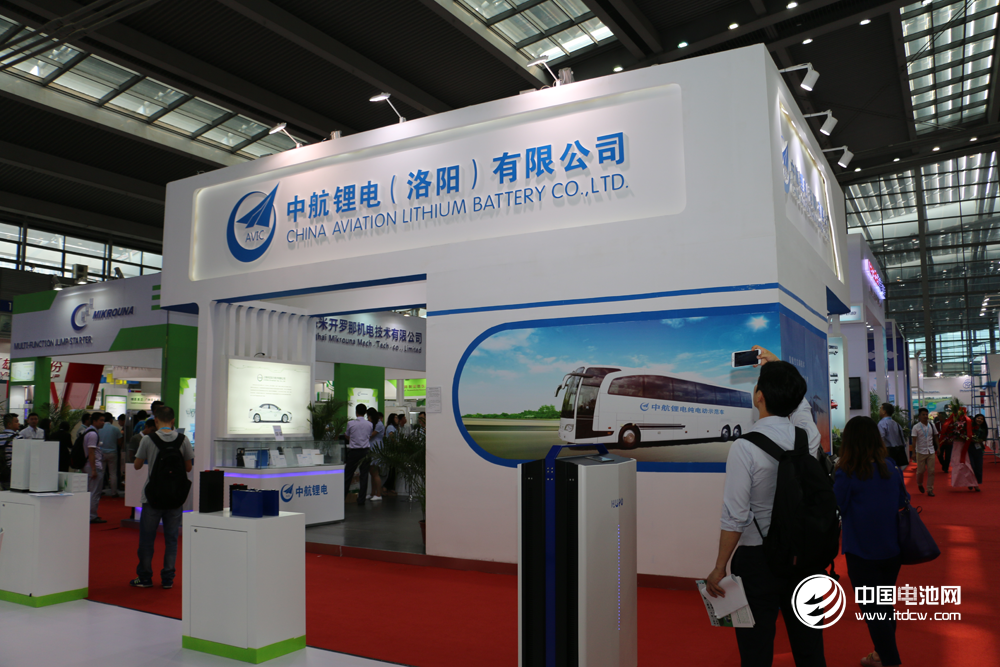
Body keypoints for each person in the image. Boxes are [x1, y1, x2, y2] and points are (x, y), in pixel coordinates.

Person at [705, 350, 826, 667]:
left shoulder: (744, 447)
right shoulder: (808, 436)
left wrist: (719, 567)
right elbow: (801, 408)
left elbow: (735, 516)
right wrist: (779, 368)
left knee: (755, 651)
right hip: (805, 556)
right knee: (810, 648)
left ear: (759, 396)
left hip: (759, 561)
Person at [834, 416, 909, 667]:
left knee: (873, 610)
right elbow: (903, 501)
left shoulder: (847, 472)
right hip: (891, 550)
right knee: (884, 605)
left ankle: (890, 660)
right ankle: (879, 655)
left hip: (862, 552)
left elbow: (837, 505)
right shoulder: (891, 467)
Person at [131, 405, 194, 589]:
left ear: (156, 420)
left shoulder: (148, 439)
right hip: (175, 497)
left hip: (152, 497)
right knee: (172, 539)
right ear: (173, 421)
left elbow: (136, 465)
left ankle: (145, 578)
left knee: (147, 539)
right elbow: (188, 467)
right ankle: (168, 578)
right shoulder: (183, 439)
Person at [343, 403, 374, 505]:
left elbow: (347, 435)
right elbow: (369, 436)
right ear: (365, 413)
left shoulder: (350, 423)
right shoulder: (369, 424)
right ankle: (361, 500)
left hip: (354, 452)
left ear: (356, 412)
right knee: (364, 476)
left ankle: (342, 498)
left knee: (348, 475)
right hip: (366, 451)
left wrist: (352, 438)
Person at [942, 406, 978, 492]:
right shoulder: (952, 423)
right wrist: (952, 436)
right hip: (956, 446)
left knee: (968, 464)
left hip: (966, 446)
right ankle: (969, 483)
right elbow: (947, 432)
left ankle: (973, 483)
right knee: (957, 464)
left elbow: (971, 433)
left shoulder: (968, 422)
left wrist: (966, 436)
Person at [82, 413, 106, 523]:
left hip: (88, 465)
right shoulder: (93, 434)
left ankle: (88, 514)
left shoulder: (88, 431)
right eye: (100, 420)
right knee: (94, 492)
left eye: (103, 420)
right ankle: (92, 516)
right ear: (94, 421)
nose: (103, 422)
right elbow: (91, 452)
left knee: (90, 491)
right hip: (93, 465)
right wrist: (93, 469)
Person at [912, 407, 938, 497]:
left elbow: (935, 436)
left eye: (926, 414)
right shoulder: (916, 427)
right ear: (919, 416)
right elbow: (914, 441)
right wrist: (913, 453)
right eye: (923, 415)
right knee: (920, 471)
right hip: (920, 451)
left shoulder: (932, 425)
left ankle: (930, 489)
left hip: (931, 451)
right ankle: (919, 483)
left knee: (931, 471)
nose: (925, 416)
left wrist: (938, 448)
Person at [99, 411, 123, 497]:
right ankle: (114, 492)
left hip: (101, 453)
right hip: (112, 453)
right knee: (113, 473)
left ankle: (99, 491)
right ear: (110, 419)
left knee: (101, 473)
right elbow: (120, 442)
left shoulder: (99, 429)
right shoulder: (115, 429)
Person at [877, 404, 908, 469]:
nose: (879, 410)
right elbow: (902, 438)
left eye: (881, 408)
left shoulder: (882, 423)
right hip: (898, 451)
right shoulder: (897, 424)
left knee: (888, 470)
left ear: (884, 411)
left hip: (887, 452)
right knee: (896, 470)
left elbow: (880, 438)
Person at [367, 408, 384, 501]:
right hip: (372, 448)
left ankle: (378, 494)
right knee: (372, 472)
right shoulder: (374, 424)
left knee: (375, 472)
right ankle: (373, 493)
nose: (367, 418)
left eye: (368, 416)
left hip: (376, 448)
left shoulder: (379, 424)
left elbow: (371, 435)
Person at [1, 413, 20, 491]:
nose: (19, 423)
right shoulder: (18, 438)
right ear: (9, 424)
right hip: (12, 472)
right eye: (16, 422)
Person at [382, 413, 399, 496]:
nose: (397, 419)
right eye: (396, 417)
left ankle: (390, 488)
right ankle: (385, 487)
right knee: (392, 470)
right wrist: (398, 444)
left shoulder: (394, 427)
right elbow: (392, 437)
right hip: (392, 450)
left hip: (394, 450)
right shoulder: (390, 427)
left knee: (394, 471)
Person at [971, 413, 987, 485]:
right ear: (975, 419)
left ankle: (977, 482)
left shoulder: (983, 429)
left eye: (981, 419)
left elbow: (983, 438)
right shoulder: (970, 427)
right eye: (978, 418)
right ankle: (970, 482)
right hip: (969, 448)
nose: (979, 420)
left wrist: (978, 440)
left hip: (978, 448)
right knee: (971, 466)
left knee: (978, 466)